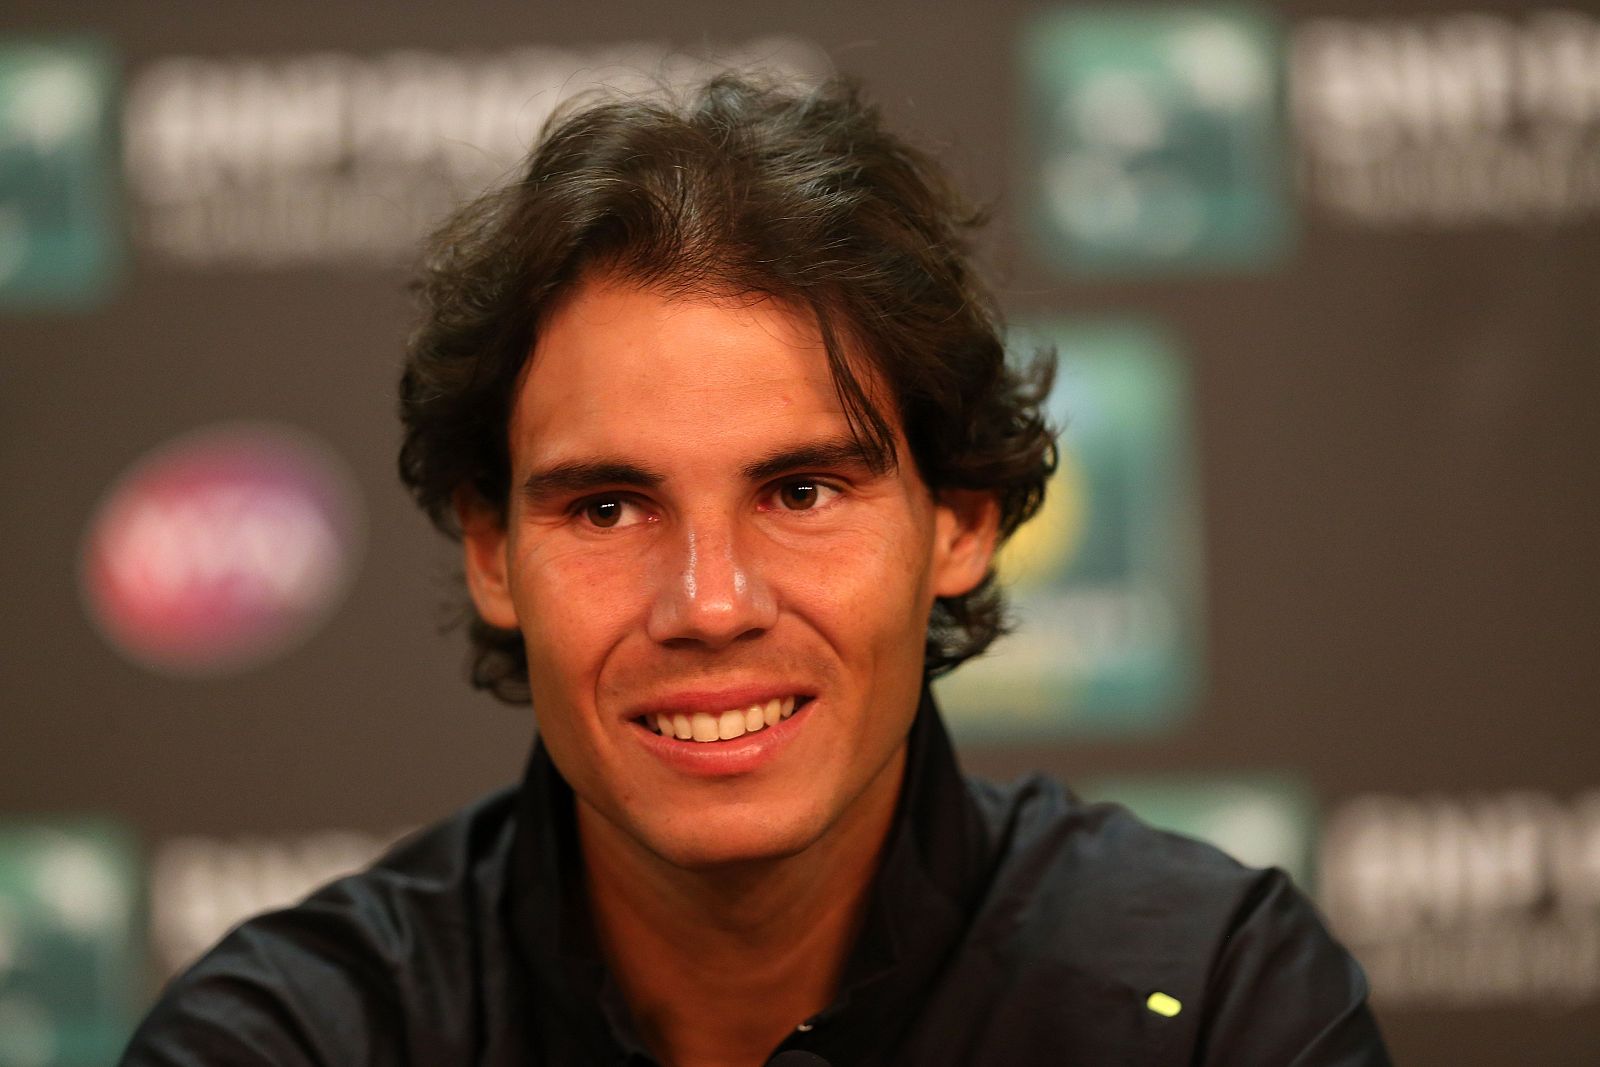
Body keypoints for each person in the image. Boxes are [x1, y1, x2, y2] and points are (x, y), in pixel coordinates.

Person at [121, 73, 1390, 1066]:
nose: (711, 605)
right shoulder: (293, 1039)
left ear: (959, 521)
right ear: (493, 549)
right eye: (610, 507)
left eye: (800, 492)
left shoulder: (1210, 1003)